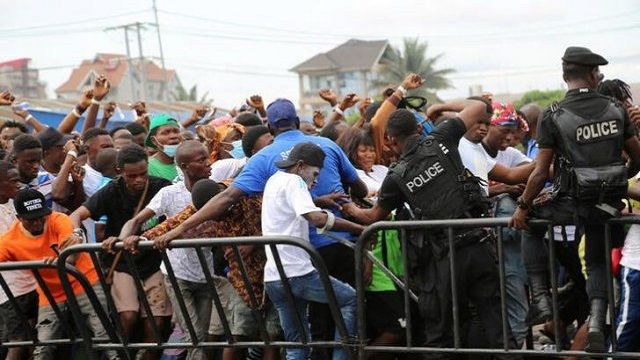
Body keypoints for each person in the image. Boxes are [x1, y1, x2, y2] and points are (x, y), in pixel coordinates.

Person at [343, 101, 519, 359]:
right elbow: (479, 106)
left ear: (391, 139)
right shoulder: (442, 137)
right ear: (417, 128)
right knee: (498, 328)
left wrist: (349, 208)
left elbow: (372, 216)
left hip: (444, 259)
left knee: (440, 335)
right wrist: (439, 107)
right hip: (479, 246)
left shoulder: (396, 176)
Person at [510, 46, 640, 353]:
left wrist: (523, 206)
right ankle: (596, 320)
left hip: (570, 201)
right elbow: (637, 159)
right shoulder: (615, 108)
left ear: (564, 75)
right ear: (594, 74)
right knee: (596, 258)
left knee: (531, 224)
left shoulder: (553, 115)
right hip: (608, 203)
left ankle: (541, 297)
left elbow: (540, 172)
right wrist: (620, 178)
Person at [70, 144, 173, 360]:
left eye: (143, 173)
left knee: (156, 322)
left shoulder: (163, 188)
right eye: (132, 175)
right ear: (119, 172)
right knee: (127, 317)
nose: (139, 180)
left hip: (156, 263)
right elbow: (77, 215)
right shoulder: (111, 190)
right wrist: (77, 236)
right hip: (123, 264)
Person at [262, 142, 363, 360]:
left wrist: (317, 200)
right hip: (297, 274)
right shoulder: (295, 181)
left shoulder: (274, 180)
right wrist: (361, 228)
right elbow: (316, 218)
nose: (316, 181)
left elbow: (287, 207)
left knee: (297, 346)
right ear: (300, 166)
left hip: (273, 277)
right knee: (350, 299)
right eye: (315, 174)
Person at [0, 189, 118, 360]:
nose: (38, 222)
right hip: (51, 293)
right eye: (31, 219)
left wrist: (60, 260)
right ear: (19, 218)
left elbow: (72, 255)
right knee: (44, 345)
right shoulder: (10, 239)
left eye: (41, 216)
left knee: (104, 335)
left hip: (84, 282)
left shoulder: (58, 219)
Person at [0, 161, 37, 360]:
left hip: (32, 282)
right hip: (9, 290)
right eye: (13, 181)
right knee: (18, 341)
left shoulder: (15, 204)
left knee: (35, 337)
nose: (18, 185)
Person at [145, 114, 182, 182]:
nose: (173, 136)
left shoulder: (189, 162)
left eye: (176, 131)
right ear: (154, 140)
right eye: (166, 133)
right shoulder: (148, 167)